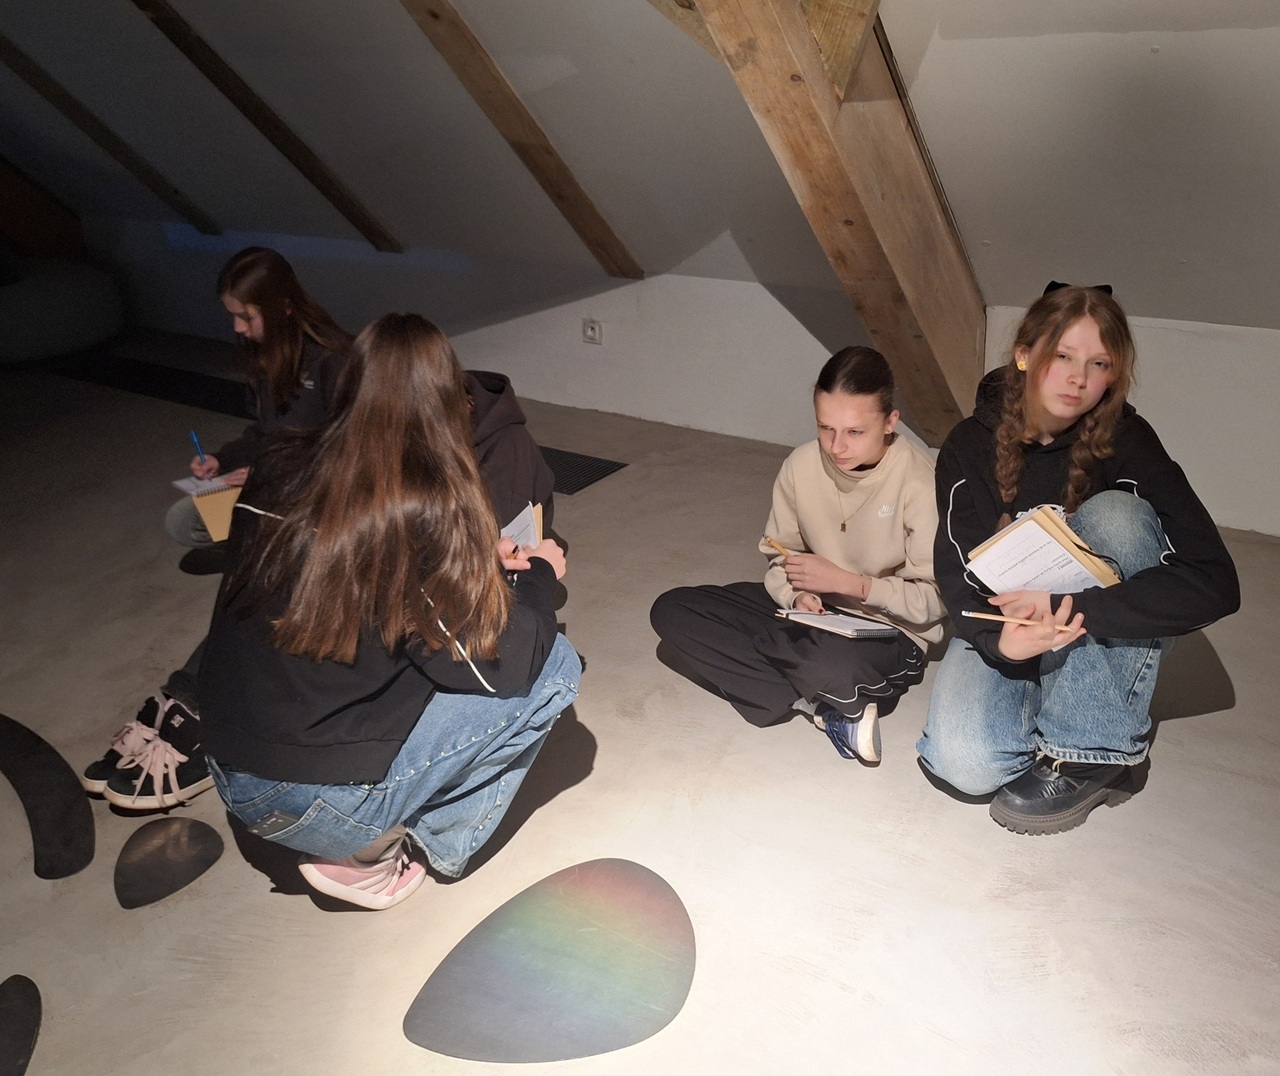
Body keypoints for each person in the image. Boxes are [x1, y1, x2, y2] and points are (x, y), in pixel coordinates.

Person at [195, 312, 579, 909]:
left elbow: (352, 573)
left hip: (226, 761)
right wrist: (536, 578)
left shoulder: (278, 466)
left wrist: (471, 563)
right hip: (311, 804)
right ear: (451, 401)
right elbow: (499, 669)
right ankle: (384, 848)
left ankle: (351, 821)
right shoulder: (418, 514)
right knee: (554, 667)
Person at [917, 283, 1240, 834]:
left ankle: (1089, 749)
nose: (1077, 378)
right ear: (1025, 355)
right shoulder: (967, 445)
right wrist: (1001, 643)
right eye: (1062, 356)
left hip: (1089, 623)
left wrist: (1075, 606)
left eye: (1098, 364)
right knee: (967, 766)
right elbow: (955, 571)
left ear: (1112, 376)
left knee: (1119, 514)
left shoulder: (1129, 439)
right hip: (1010, 624)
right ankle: (1055, 694)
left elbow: (1215, 583)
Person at [650, 347, 945, 760]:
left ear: (890, 422)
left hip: (888, 629)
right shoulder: (801, 464)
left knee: (826, 658)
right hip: (815, 613)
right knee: (673, 610)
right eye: (825, 428)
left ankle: (800, 679)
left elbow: (934, 601)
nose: (837, 446)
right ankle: (822, 705)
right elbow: (780, 555)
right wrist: (797, 596)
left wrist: (852, 585)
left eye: (855, 432)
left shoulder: (919, 480)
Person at [164, 246, 352, 567]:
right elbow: (264, 431)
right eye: (234, 316)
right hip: (273, 478)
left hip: (322, 488)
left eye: (247, 317)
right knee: (183, 521)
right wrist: (222, 460)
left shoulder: (334, 359)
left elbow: (348, 450)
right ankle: (271, 542)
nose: (238, 328)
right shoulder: (266, 355)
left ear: (285, 308)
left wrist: (267, 474)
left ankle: (291, 545)